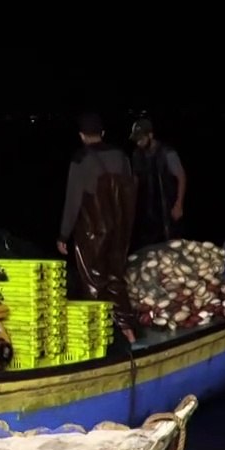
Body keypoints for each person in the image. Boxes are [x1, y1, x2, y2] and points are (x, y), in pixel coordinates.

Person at [56, 111, 138, 342]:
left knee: (93, 283)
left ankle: (96, 339)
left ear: (81, 136)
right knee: (115, 278)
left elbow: (73, 200)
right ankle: (128, 332)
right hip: (121, 228)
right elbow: (128, 191)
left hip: (93, 231)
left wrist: (63, 234)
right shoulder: (121, 155)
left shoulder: (80, 160)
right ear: (102, 133)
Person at [129, 118, 188, 249]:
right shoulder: (137, 155)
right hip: (147, 212)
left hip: (167, 208)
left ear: (150, 135)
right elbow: (135, 180)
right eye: (136, 140)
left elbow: (181, 177)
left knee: (171, 247)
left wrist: (179, 204)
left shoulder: (167, 153)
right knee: (147, 248)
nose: (138, 142)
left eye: (141, 138)